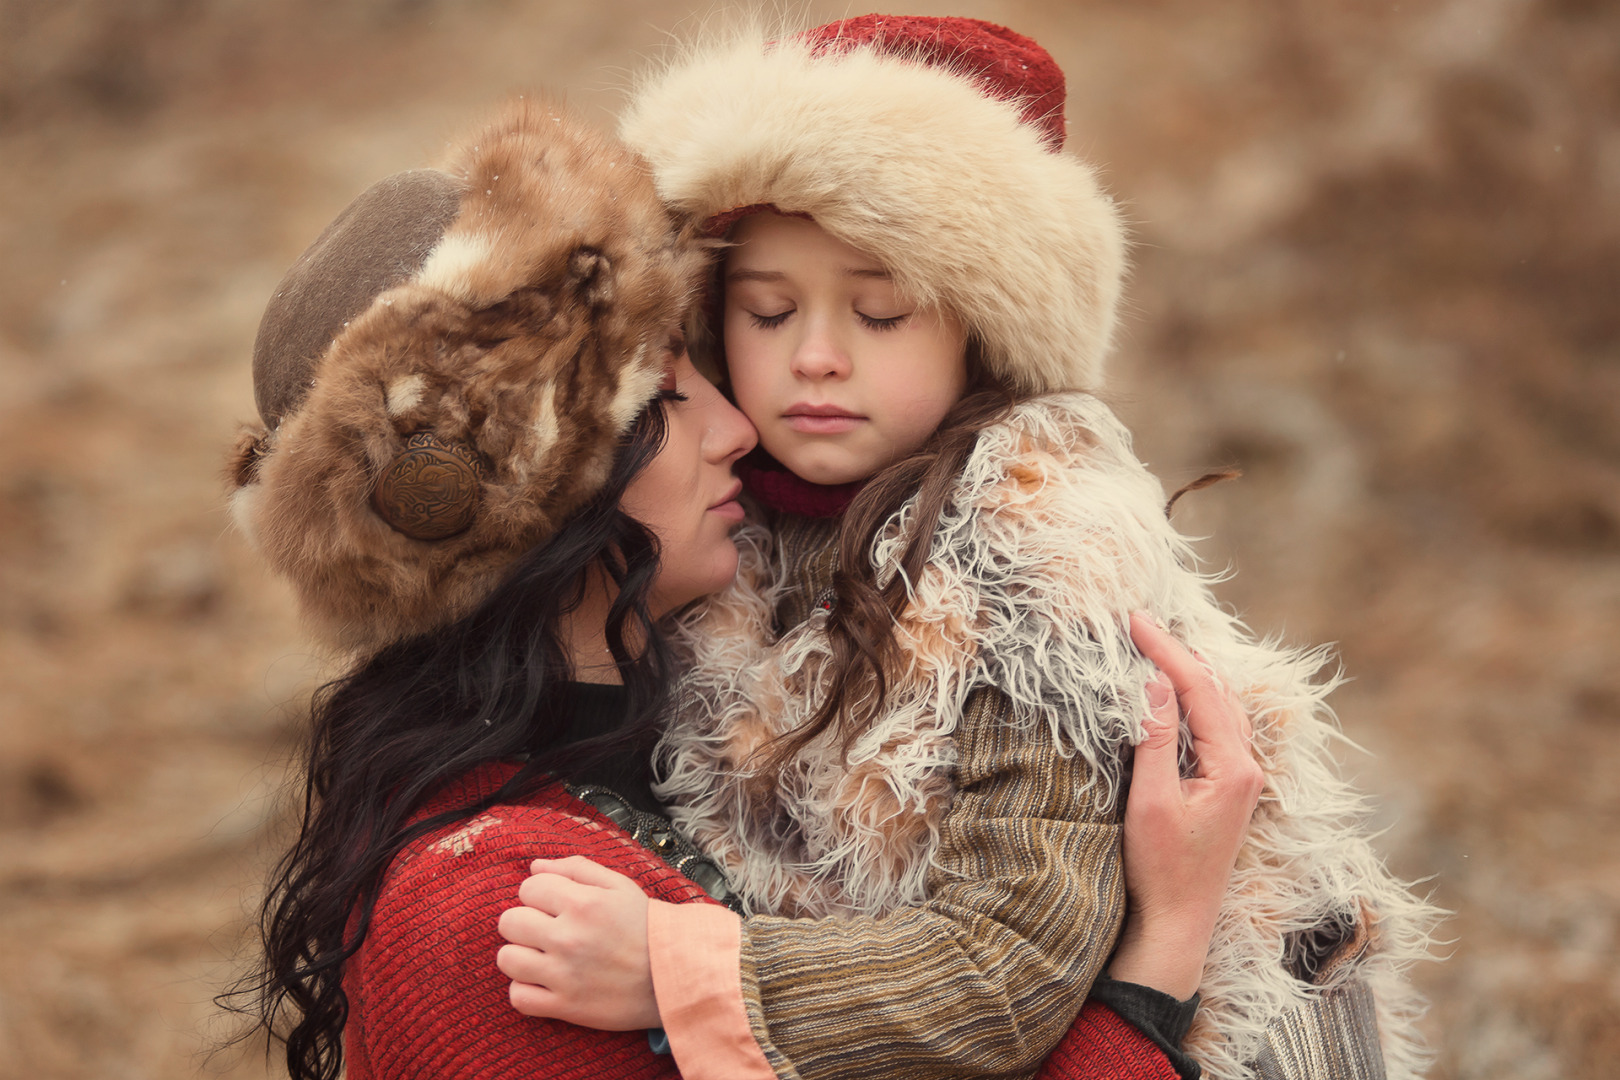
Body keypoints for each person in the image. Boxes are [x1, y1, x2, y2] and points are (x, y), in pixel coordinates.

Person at [226, 100, 1257, 1080]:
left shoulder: (687, 733)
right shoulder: (497, 923)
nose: (738, 427)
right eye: (672, 396)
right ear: (546, 495)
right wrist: (1161, 960)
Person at [498, 15, 1440, 1080]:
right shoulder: (722, 523)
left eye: (882, 312)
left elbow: (1013, 962)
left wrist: (685, 971)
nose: (814, 357)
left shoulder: (1038, 546)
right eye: (767, 311)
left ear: (983, 330)